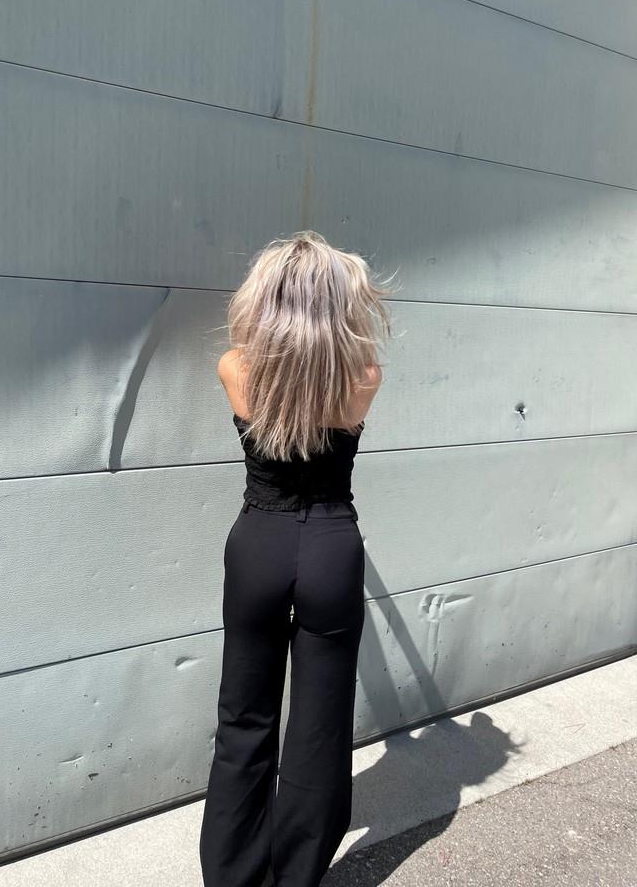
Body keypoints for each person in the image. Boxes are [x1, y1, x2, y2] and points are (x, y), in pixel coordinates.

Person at [199, 230, 394, 887]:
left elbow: (263, 364)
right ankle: (296, 876)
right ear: (339, 301)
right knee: (320, 724)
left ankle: (232, 875)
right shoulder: (364, 376)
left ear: (267, 297)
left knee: (243, 715)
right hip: (331, 546)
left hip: (259, 542)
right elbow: (338, 366)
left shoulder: (236, 367)